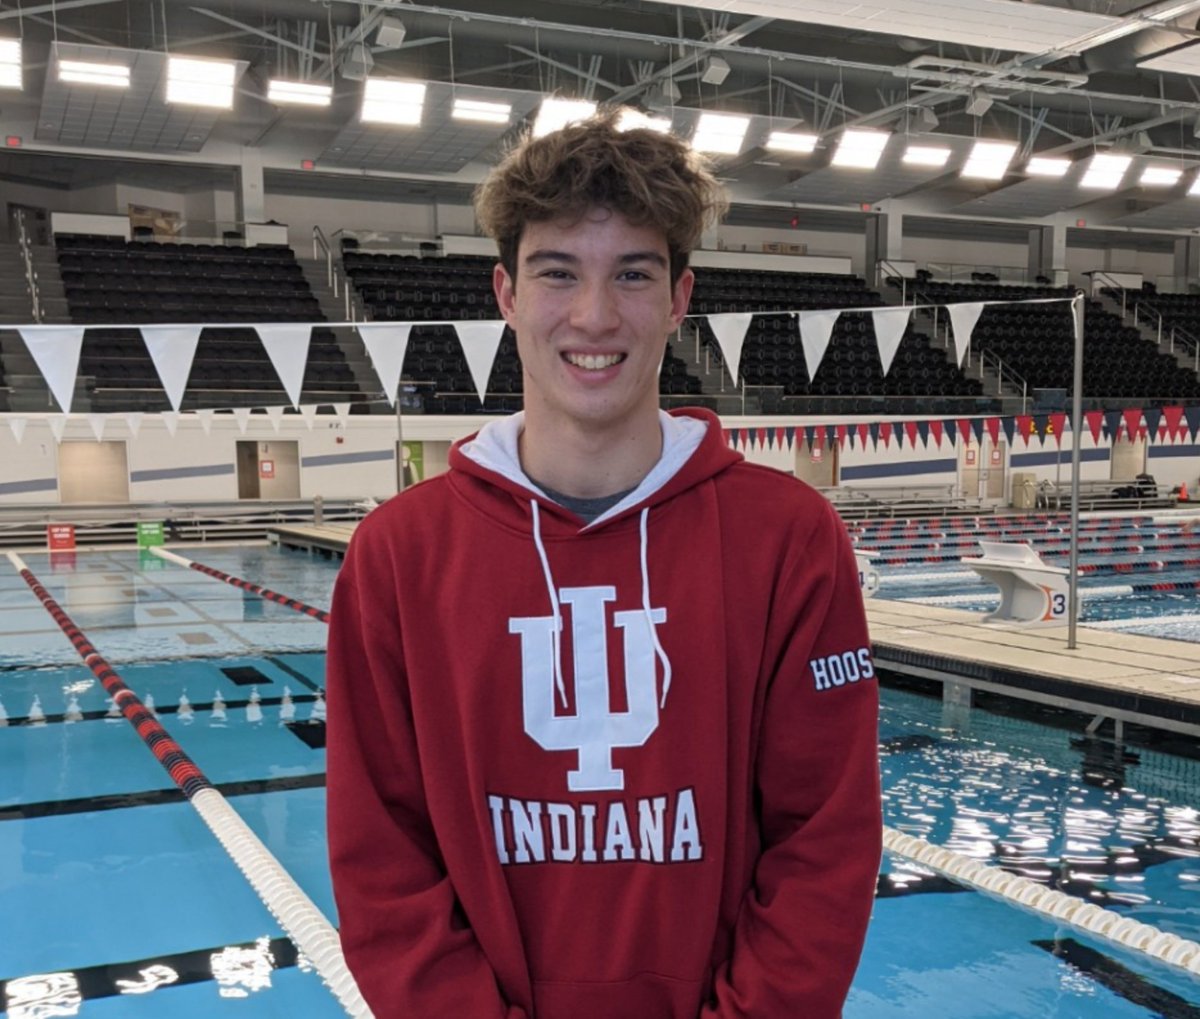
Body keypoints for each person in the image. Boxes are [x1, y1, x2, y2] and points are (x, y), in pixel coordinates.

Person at [325, 107, 881, 1019]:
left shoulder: (789, 539)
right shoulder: (398, 557)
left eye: (632, 273)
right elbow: (381, 859)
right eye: (558, 273)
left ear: (679, 299)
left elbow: (824, 841)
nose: (594, 315)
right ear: (505, 294)